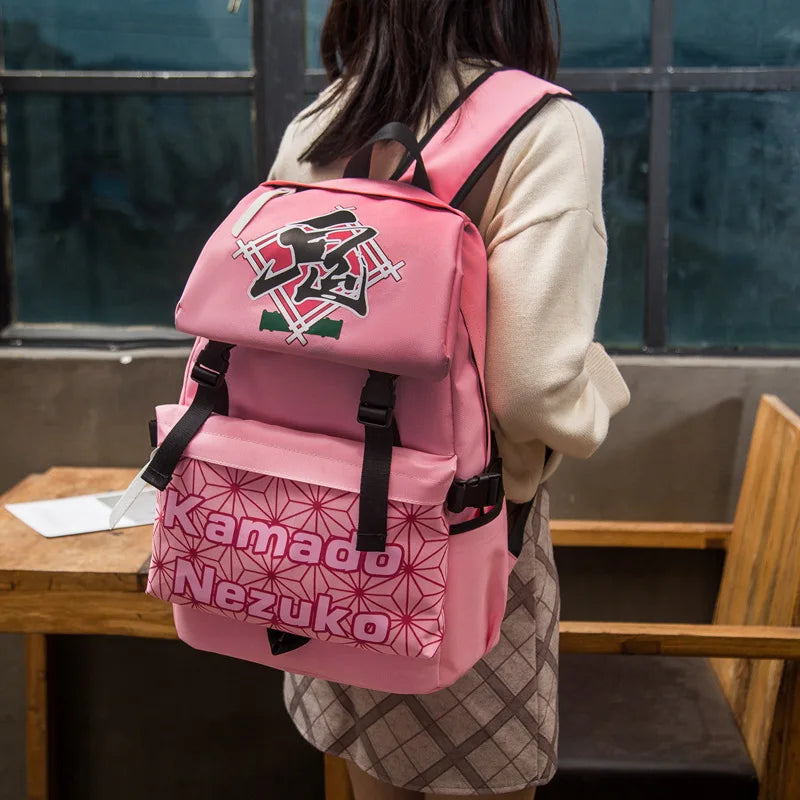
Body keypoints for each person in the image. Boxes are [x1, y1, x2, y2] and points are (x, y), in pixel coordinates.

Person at [268, 2, 630, 798]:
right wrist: (601, 390)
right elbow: (531, 388)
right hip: (461, 539)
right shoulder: (542, 130)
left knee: (371, 775)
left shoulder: (323, 123)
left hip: (319, 534)